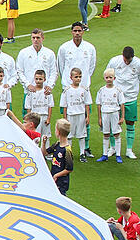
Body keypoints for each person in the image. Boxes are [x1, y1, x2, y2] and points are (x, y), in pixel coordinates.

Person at [58, 22, 97, 157]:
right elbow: (61, 67)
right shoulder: (64, 48)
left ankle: (85, 148)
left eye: (79, 31)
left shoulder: (90, 48)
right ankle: (66, 148)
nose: (77, 33)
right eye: (75, 31)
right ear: (71, 32)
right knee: (67, 120)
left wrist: (83, 81)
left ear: (83, 32)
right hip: (68, 88)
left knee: (85, 117)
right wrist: (69, 84)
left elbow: (91, 67)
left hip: (83, 88)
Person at [108, 47, 140, 159]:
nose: (127, 62)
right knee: (114, 124)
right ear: (122, 55)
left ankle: (129, 150)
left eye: (129, 60)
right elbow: (108, 75)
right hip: (116, 98)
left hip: (131, 97)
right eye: (125, 59)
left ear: (133, 57)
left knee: (130, 123)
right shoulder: (114, 61)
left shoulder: (138, 63)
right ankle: (112, 148)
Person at [17, 29, 58, 117]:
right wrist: (28, 85)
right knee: (28, 120)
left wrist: (50, 86)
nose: (35, 40)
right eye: (33, 37)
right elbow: (19, 71)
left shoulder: (49, 53)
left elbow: (54, 71)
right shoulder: (24, 53)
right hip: (29, 92)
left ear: (42, 38)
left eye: (38, 38)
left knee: (44, 119)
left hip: (44, 93)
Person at [97, 68, 127, 163]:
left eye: (111, 77)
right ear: (104, 78)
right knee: (106, 134)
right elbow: (99, 104)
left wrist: (122, 117)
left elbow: (122, 104)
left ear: (114, 78)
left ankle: (118, 155)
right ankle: (104, 154)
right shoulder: (101, 90)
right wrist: (99, 118)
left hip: (114, 113)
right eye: (107, 77)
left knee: (116, 133)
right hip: (105, 113)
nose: (109, 79)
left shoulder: (118, 90)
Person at [24, 71, 55, 145]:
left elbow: (50, 106)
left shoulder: (47, 92)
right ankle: (35, 152)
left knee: (46, 136)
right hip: (35, 118)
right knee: (35, 136)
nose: (38, 81)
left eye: (40, 79)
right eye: (36, 79)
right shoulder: (31, 92)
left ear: (44, 79)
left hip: (44, 117)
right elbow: (28, 107)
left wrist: (48, 118)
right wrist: (30, 119)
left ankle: (46, 153)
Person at [48, 118, 73, 195]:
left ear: (58, 132)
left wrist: (56, 175)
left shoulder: (67, 150)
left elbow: (69, 169)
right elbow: (45, 152)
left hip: (62, 182)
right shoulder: (56, 145)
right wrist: (43, 143)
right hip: (54, 179)